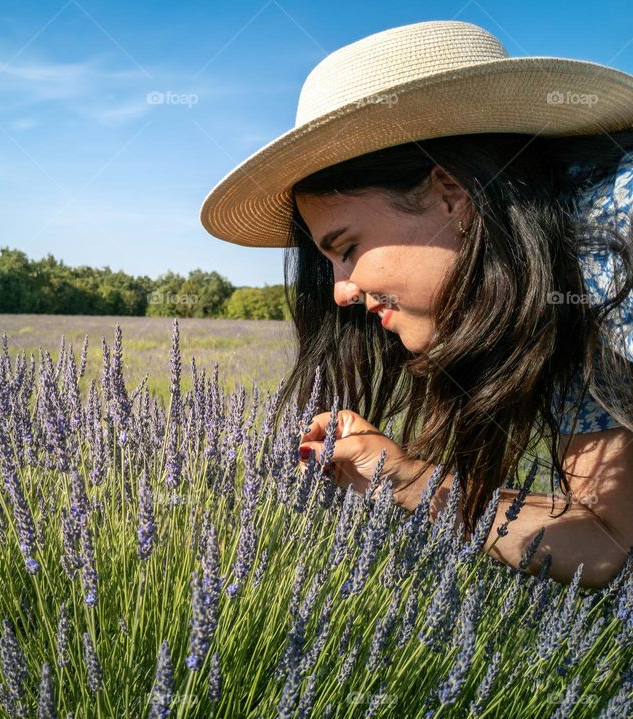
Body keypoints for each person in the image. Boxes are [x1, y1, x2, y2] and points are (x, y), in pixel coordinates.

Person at [199, 20, 633, 588]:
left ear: (452, 195)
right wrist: (403, 478)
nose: (341, 290)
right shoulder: (547, 305)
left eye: (348, 247)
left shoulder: (618, 228)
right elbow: (609, 541)